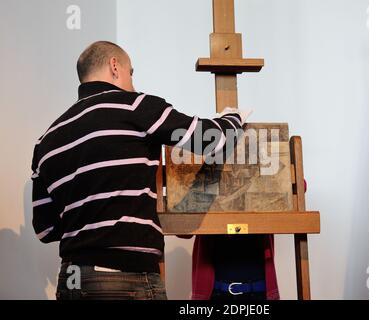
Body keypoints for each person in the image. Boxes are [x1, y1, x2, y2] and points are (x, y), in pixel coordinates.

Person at [31, 41, 250, 300]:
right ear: (115, 66)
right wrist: (234, 117)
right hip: (126, 277)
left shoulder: (46, 141)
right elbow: (208, 139)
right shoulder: (134, 107)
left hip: (71, 280)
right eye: (131, 72)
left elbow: (46, 230)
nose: (133, 82)